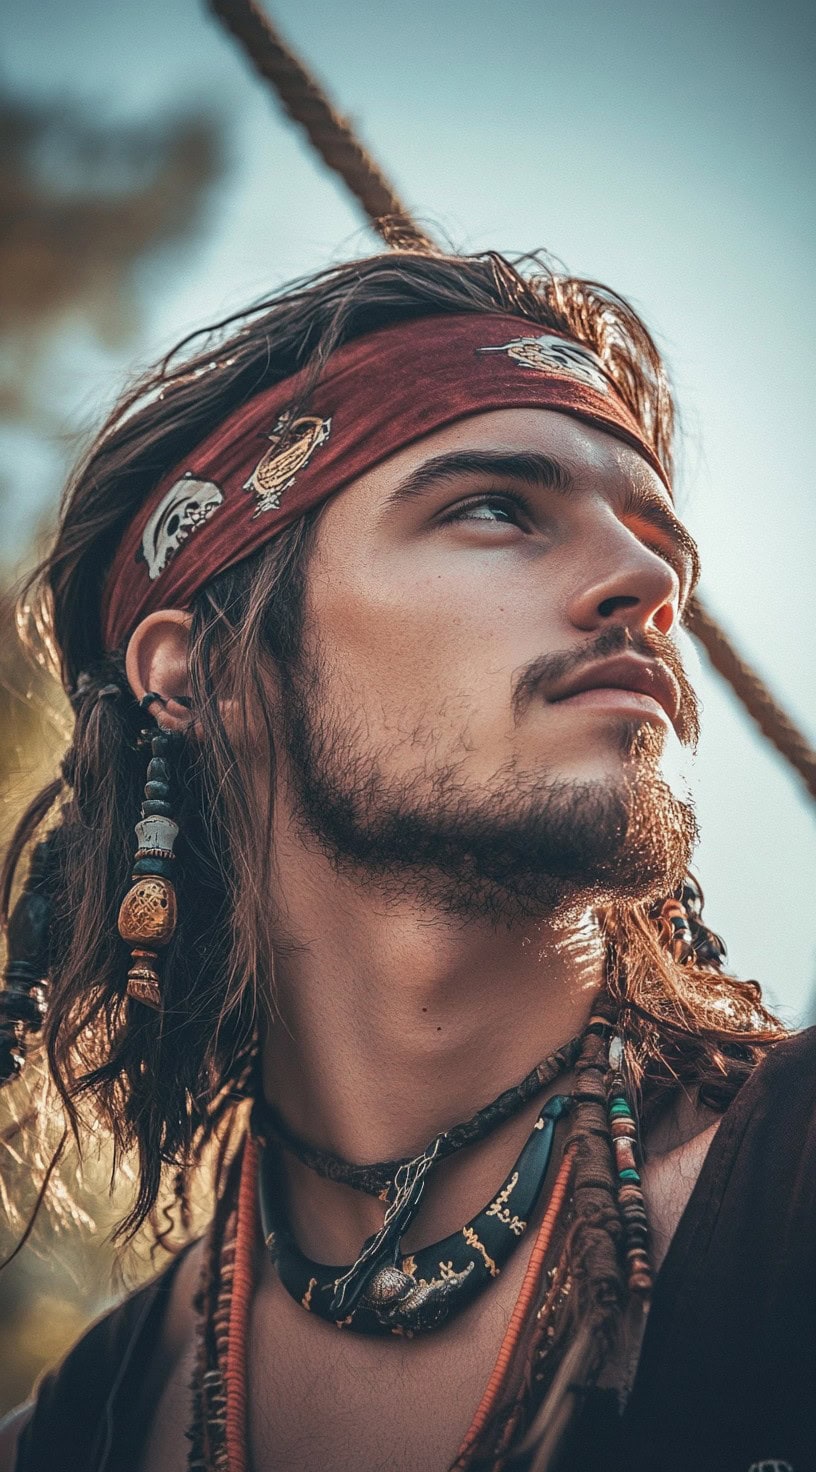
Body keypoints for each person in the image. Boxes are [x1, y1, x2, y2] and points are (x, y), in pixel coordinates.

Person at [0, 248, 812, 1472]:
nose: (651, 582)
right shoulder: (80, 1435)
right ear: (204, 670)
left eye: (660, 541)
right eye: (495, 505)